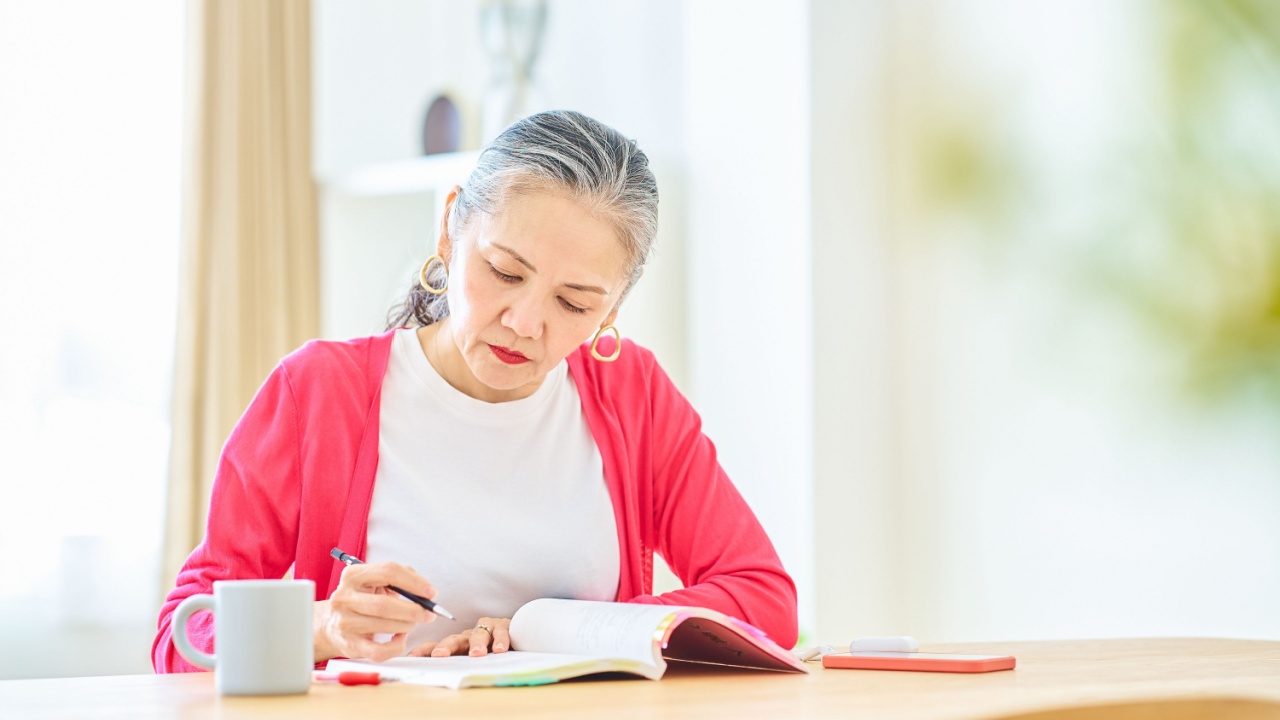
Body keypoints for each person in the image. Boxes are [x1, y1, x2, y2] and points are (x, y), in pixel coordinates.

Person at [153, 110, 798, 672]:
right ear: (449, 231)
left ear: (612, 311)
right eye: (504, 271)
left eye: (574, 304)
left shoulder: (635, 395)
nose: (524, 324)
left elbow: (764, 598)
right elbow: (182, 637)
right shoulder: (317, 393)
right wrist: (322, 628)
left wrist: (559, 638)